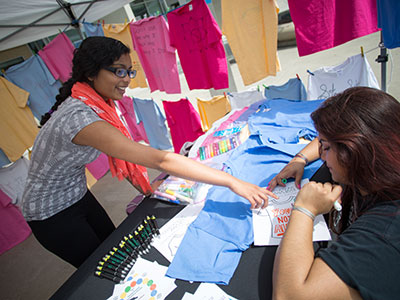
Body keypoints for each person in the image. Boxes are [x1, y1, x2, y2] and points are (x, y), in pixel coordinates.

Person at [22, 36, 276, 268]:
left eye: (129, 71)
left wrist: (150, 191)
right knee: (106, 269)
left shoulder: (97, 102)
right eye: (118, 71)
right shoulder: (80, 119)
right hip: (50, 213)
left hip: (77, 194)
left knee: (115, 249)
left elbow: (126, 153)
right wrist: (232, 182)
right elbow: (160, 159)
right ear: (90, 73)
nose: (127, 79)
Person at [270, 86, 400, 299]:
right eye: (321, 145)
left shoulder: (383, 234)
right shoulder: (382, 161)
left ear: (354, 151)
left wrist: (304, 209)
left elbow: (288, 296)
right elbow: (332, 137)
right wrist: (299, 159)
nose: (321, 156)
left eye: (327, 148)